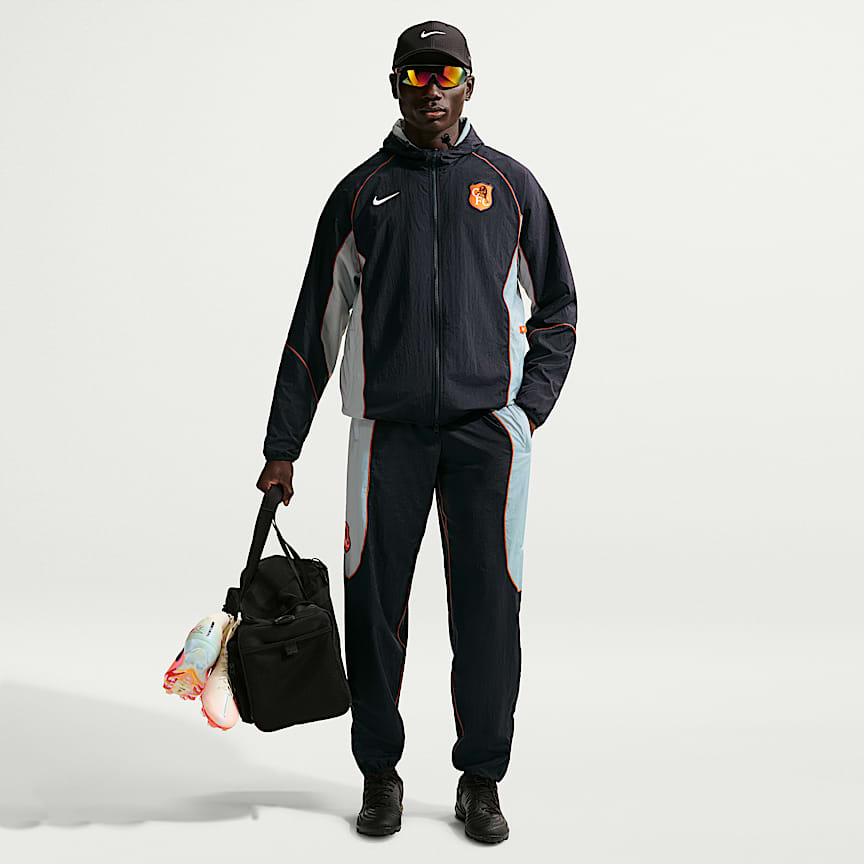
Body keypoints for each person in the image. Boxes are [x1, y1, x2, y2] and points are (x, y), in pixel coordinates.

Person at [256, 20, 578, 843]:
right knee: (374, 609)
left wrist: (525, 409)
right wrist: (282, 446)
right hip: (386, 436)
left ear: (470, 85)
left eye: (447, 74)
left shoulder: (510, 187)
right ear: (395, 85)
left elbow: (558, 310)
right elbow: (314, 326)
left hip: (486, 440)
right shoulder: (361, 193)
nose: (431, 89)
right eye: (415, 74)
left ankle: (481, 779)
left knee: (488, 609)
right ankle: (380, 774)